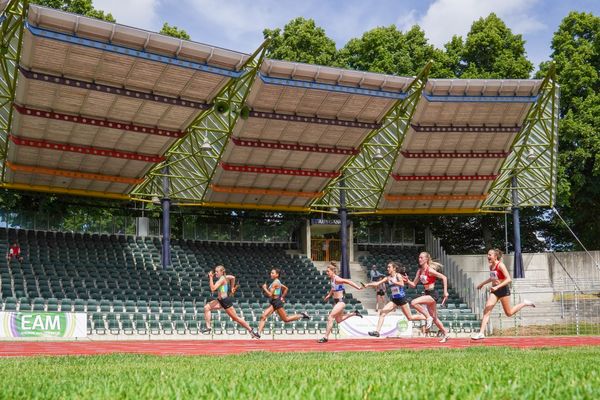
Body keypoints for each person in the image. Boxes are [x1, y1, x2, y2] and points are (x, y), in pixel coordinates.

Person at [471, 249, 536, 340]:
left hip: (503, 290)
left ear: (495, 256)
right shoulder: (491, 266)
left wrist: (497, 287)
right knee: (486, 311)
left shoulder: (500, 265)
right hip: (494, 291)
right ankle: (481, 333)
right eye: (488, 255)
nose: (488, 256)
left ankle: (524, 303)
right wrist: (482, 283)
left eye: (490, 255)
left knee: (509, 313)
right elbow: (492, 278)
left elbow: (508, 279)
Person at [362, 262, 425, 337]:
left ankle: (427, 317)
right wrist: (368, 284)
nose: (387, 268)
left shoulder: (398, 275)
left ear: (394, 268)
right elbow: (377, 283)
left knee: (410, 318)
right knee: (382, 313)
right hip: (394, 300)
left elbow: (402, 284)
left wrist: (394, 282)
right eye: (387, 267)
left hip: (402, 299)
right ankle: (377, 332)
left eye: (389, 267)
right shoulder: (388, 278)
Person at [202, 265, 260, 338]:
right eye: (215, 271)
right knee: (206, 307)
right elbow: (233, 277)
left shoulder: (222, 279)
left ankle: (251, 331)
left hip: (226, 301)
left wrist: (210, 278)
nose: (215, 273)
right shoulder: (225, 277)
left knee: (236, 318)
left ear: (222, 272)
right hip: (220, 301)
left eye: (217, 272)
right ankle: (208, 327)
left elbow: (213, 288)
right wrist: (232, 287)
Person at [407, 252, 451, 343]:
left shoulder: (430, 270)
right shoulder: (419, 271)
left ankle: (427, 317)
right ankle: (446, 333)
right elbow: (413, 284)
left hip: (432, 294)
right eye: (419, 257)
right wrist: (407, 280)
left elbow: (444, 277)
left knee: (413, 302)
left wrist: (445, 291)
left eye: (421, 257)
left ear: (426, 259)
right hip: (427, 293)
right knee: (435, 318)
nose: (419, 259)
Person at [318, 262, 364, 343]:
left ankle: (325, 337)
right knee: (339, 320)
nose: (327, 273)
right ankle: (354, 313)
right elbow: (333, 288)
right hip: (336, 302)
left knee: (330, 317)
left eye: (328, 271)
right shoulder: (332, 279)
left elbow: (348, 281)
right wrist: (329, 295)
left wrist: (358, 287)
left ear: (333, 271)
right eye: (327, 271)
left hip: (340, 302)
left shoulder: (337, 279)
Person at [257, 268, 310, 336]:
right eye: (271, 273)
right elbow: (286, 289)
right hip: (273, 302)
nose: (271, 274)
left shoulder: (275, 283)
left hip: (277, 302)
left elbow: (270, 294)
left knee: (286, 319)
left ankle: (302, 315)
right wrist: (282, 297)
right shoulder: (276, 282)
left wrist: (264, 288)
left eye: (273, 273)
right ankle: (258, 333)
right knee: (263, 316)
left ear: (277, 274)